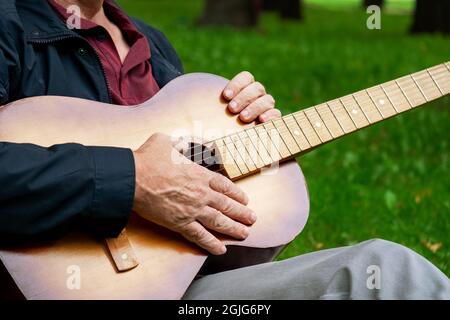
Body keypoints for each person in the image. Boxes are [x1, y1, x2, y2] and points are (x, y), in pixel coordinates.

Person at [0, 0, 448, 300]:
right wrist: (131, 179)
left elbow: (190, 189)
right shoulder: (9, 25)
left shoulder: (151, 45)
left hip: (189, 294)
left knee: (384, 273)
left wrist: (260, 143)